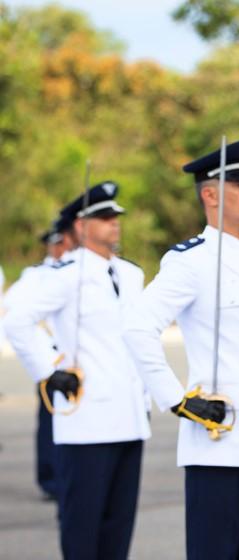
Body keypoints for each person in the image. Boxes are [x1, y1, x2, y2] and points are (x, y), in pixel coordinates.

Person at [122, 139, 239, 560]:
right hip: (220, 436)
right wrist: (178, 400)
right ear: (210, 194)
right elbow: (138, 326)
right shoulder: (190, 261)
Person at [4, 181, 151, 560]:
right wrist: (48, 371)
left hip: (130, 416)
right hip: (87, 416)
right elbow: (18, 320)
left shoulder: (131, 274)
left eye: (115, 216)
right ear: (80, 227)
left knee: (119, 526)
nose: (114, 223)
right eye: (104, 217)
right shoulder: (66, 273)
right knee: (82, 524)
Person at [2, 220, 75, 502]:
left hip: (75, 360)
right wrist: (41, 357)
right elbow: (14, 315)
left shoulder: (77, 271)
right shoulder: (35, 276)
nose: (60, 248)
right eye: (56, 243)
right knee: (49, 423)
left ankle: (69, 477)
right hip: (50, 357)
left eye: (63, 242)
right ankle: (50, 479)